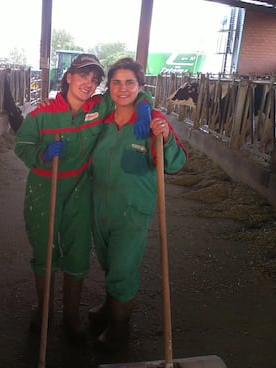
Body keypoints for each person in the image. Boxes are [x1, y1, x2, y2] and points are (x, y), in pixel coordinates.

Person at [14, 53, 153, 344]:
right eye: (82, 75)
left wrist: (145, 110)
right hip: (44, 189)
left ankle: (71, 318)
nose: (88, 83)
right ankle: (44, 311)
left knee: (77, 254)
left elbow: (131, 92)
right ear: (68, 77)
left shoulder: (98, 108)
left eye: (94, 78)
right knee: (45, 251)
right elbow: (22, 145)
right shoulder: (42, 114)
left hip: (79, 189)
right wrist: (41, 155)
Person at [88, 57, 187, 351]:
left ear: (140, 86)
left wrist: (165, 137)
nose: (122, 89)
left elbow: (176, 163)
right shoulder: (101, 117)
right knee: (109, 262)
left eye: (129, 82)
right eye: (116, 82)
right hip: (100, 205)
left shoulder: (153, 119)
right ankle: (110, 307)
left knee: (123, 268)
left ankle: (120, 329)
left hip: (132, 209)